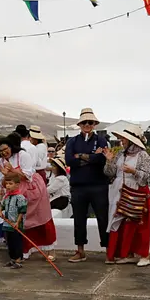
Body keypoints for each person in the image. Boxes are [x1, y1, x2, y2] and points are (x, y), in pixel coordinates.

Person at [0, 133, 57, 262]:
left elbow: (27, 175)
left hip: (32, 190)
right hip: (15, 192)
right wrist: (5, 176)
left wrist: (12, 171)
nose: (3, 153)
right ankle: (23, 250)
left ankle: (50, 249)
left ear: (11, 147)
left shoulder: (23, 155)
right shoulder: (0, 162)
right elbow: (2, 182)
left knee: (41, 218)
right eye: (0, 151)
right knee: (21, 222)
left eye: (5, 149)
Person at [104, 124, 150, 267]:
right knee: (122, 224)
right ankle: (127, 253)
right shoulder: (120, 154)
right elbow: (110, 173)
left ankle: (144, 255)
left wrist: (134, 172)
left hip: (137, 192)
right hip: (119, 192)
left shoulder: (143, 155)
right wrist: (109, 160)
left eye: (124, 139)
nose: (122, 141)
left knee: (139, 224)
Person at [65, 108, 111, 262]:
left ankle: (108, 250)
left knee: (103, 217)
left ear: (94, 124)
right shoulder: (72, 141)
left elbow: (102, 160)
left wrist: (81, 157)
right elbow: (69, 161)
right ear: (80, 124)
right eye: (84, 122)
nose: (87, 125)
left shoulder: (101, 140)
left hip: (99, 185)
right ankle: (80, 250)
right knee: (78, 218)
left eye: (90, 122)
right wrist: (92, 157)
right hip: (78, 186)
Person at [0, 180, 28, 269]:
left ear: (17, 185)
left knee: (16, 242)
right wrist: (0, 212)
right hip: (7, 224)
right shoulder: (6, 197)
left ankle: (18, 260)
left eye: (11, 183)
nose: (8, 186)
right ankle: (12, 258)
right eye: (7, 184)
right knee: (9, 242)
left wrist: (17, 222)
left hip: (16, 224)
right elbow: (2, 206)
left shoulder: (20, 197)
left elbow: (22, 211)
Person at [47, 153, 72, 218]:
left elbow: (50, 190)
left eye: (54, 166)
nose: (52, 168)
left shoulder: (61, 178)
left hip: (60, 200)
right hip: (59, 199)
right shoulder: (55, 177)